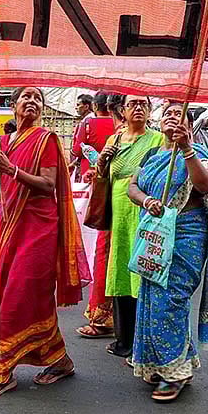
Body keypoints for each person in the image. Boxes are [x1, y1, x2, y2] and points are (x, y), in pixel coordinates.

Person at [0, 86, 90, 398]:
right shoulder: (7, 142)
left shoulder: (45, 140)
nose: (33, 102)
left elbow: (47, 184)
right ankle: (60, 360)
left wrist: (13, 170)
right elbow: (8, 186)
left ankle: (4, 370)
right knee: (28, 298)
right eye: (27, 97)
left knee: (16, 295)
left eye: (38, 98)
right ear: (13, 105)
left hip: (39, 230)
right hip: (12, 229)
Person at [126, 102, 208, 401]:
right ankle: (167, 362)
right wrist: (146, 201)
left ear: (189, 126)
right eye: (167, 112)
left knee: (171, 300)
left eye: (178, 113)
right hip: (155, 236)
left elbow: (204, 186)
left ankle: (176, 372)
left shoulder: (198, 155)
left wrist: (187, 150)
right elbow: (133, 186)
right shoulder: (153, 155)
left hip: (185, 237)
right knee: (152, 301)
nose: (171, 115)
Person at [101, 95, 163, 357]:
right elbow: (102, 174)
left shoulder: (157, 140)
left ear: (149, 111)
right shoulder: (114, 140)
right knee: (121, 268)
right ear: (122, 111)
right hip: (119, 208)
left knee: (143, 268)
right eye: (132, 104)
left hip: (144, 207)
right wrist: (103, 160)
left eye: (143, 104)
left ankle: (142, 340)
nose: (138, 108)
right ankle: (123, 338)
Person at [75, 92, 121, 339]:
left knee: (103, 253)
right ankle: (116, 317)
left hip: (108, 195)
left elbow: (75, 148)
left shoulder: (89, 124)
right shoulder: (125, 135)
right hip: (115, 194)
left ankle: (104, 317)